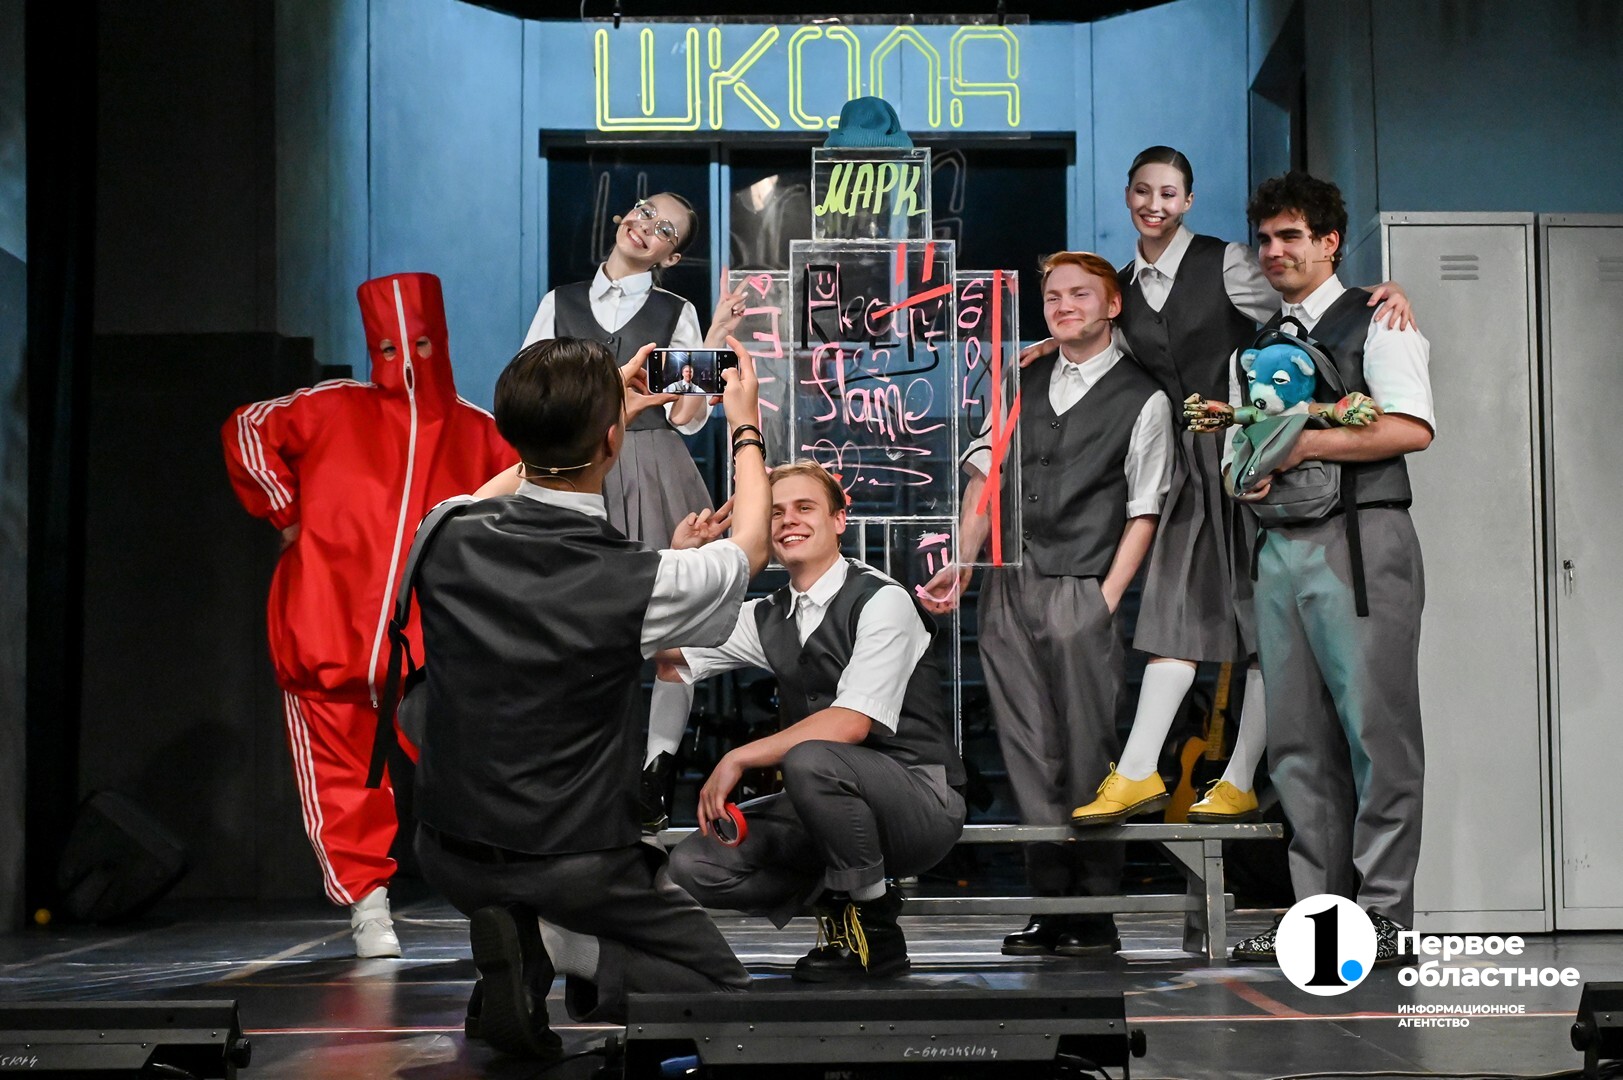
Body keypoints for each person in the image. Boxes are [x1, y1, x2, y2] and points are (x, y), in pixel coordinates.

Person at [1021, 147, 1414, 828]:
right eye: (1142, 191)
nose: (1154, 205)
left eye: (1168, 193)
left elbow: (1299, 308)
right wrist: (1049, 346)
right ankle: (1144, 770)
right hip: (1191, 461)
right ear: (1126, 195)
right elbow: (1105, 347)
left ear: (1188, 200)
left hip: (1252, 451)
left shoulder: (1227, 262)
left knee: (1259, 623)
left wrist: (1381, 292)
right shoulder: (1121, 285)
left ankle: (1229, 776)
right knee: (1178, 612)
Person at [410, 336, 770, 1058]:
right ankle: (548, 945)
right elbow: (752, 546)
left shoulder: (441, 532)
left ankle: (522, 945)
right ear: (611, 442)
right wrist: (745, 423)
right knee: (720, 988)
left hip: (446, 848)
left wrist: (598, 419)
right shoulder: (640, 579)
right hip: (569, 859)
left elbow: (495, 491)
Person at [222, 272, 516, 958]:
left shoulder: (480, 432)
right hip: (328, 629)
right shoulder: (330, 407)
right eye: (389, 348)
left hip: (432, 648)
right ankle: (368, 905)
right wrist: (286, 513)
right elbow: (247, 429)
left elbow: (529, 505)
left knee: (479, 773)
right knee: (343, 777)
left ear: (441, 341)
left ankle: (508, 899)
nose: (407, 362)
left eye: (421, 344)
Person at [920, 251, 1172, 955]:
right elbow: (984, 477)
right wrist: (962, 561)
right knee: (1027, 748)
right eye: (1054, 296)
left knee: (1087, 747)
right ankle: (1049, 905)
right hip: (1009, 583)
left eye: (1080, 294)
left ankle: (1095, 910)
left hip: (1080, 585)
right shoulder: (1020, 378)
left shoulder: (1143, 397)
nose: (1063, 306)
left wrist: (1105, 599)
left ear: (1112, 305)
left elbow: (1144, 509)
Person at [1225, 172, 1433, 965]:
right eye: (1264, 239)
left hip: (1358, 539)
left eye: (1290, 237)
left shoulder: (1377, 318)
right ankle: (1319, 917)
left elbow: (1410, 427)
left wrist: (1301, 443)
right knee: (1295, 745)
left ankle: (1383, 914)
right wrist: (1248, 469)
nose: (1273, 251)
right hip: (1280, 546)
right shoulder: (1260, 341)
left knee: (1376, 734)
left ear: (1328, 242)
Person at [661, 461, 967, 982]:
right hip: (825, 803)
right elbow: (668, 657)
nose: (789, 521)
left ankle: (877, 927)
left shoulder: (882, 599)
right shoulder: (771, 613)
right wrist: (684, 563)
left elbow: (849, 724)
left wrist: (738, 757)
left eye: (805, 508)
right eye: (775, 513)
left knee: (811, 759)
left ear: (839, 519)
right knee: (694, 865)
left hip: (919, 802)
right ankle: (842, 910)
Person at [517, 190, 748, 827]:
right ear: (625, 217)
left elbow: (687, 417)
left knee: (670, 639)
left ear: (671, 257)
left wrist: (713, 340)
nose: (648, 227)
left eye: (666, 229)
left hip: (651, 466)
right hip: (574, 473)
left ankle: (656, 772)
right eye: (646, 213)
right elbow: (529, 392)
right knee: (576, 631)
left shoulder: (675, 311)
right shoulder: (559, 302)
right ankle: (581, 773)